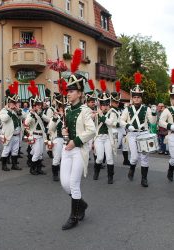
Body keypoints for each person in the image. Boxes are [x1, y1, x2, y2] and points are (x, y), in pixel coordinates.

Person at [60, 49, 96, 230]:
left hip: (79, 150)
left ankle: (74, 216)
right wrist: (64, 132)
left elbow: (92, 130)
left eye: (72, 90)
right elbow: (65, 131)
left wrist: (76, 141)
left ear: (80, 93)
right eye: (68, 90)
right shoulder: (67, 110)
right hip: (67, 148)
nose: (68, 93)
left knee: (74, 183)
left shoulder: (85, 111)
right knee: (64, 183)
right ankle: (81, 204)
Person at [120, 72, 157, 187]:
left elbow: (152, 122)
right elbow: (121, 120)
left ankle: (144, 179)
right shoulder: (127, 109)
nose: (136, 99)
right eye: (134, 97)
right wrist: (127, 126)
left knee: (144, 157)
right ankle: (132, 168)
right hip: (132, 134)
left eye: (138, 97)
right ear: (132, 97)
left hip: (144, 134)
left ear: (141, 97)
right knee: (135, 157)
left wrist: (154, 113)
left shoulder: (147, 109)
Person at [93, 80, 117, 184]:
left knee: (110, 158)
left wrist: (101, 115)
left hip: (108, 138)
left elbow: (110, 123)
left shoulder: (112, 113)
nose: (105, 106)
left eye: (107, 103)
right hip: (98, 138)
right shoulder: (95, 113)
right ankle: (96, 171)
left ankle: (110, 177)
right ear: (99, 104)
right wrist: (93, 115)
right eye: (103, 104)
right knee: (100, 158)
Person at [25, 80, 50, 175]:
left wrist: (40, 114)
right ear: (34, 106)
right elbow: (26, 123)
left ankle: (38, 169)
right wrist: (32, 115)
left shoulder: (40, 114)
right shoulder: (30, 114)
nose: (39, 106)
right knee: (37, 153)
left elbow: (48, 120)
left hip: (41, 135)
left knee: (40, 153)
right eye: (37, 105)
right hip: (34, 135)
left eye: (40, 105)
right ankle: (32, 169)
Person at [0, 81, 23, 171]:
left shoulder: (17, 110)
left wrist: (18, 110)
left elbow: (23, 117)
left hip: (17, 134)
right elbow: (4, 119)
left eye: (15, 102)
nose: (14, 104)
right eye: (13, 102)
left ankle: (14, 165)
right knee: (6, 150)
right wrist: (10, 110)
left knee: (15, 151)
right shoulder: (4, 110)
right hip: (9, 134)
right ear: (8, 103)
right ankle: (4, 165)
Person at [159, 69, 174, 181]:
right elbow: (161, 122)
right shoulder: (167, 110)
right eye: (173, 97)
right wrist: (170, 126)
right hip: (172, 135)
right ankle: (170, 167)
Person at [48, 93, 65, 181]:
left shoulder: (68, 116)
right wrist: (57, 118)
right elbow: (50, 128)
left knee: (65, 158)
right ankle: (55, 175)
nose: (64, 108)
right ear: (59, 108)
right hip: (58, 139)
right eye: (62, 107)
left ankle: (63, 173)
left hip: (66, 139)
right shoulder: (55, 117)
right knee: (57, 158)